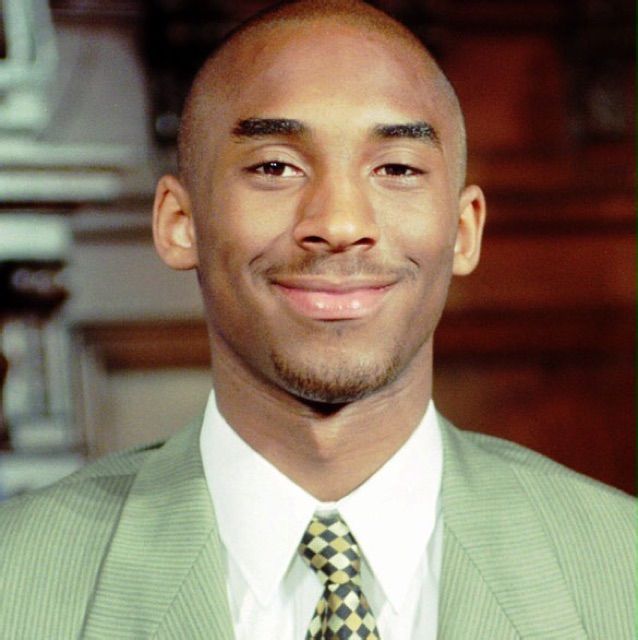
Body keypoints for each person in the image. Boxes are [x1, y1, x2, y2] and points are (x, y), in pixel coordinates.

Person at [0, 1, 633, 638]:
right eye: (275, 167)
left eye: (396, 169)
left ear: (464, 231)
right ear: (179, 223)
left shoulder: (620, 567)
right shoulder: (15, 579)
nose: (339, 224)